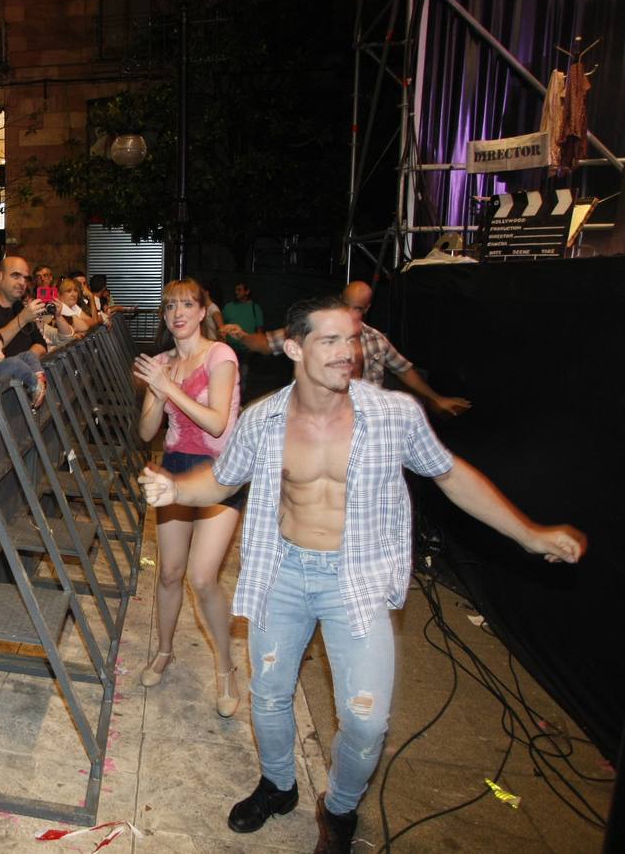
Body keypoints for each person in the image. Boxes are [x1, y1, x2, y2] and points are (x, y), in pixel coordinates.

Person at [138, 295, 586, 853]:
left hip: (357, 579)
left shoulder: (392, 414)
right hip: (284, 573)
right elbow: (223, 479)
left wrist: (530, 533)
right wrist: (176, 488)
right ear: (296, 348)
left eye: (351, 339)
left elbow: (452, 476)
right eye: (330, 340)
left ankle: (341, 807)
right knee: (269, 695)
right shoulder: (263, 419)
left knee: (367, 722)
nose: (347, 352)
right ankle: (278, 785)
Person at [131, 278, 243, 716]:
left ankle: (226, 667)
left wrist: (169, 386)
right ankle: (163, 650)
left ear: (202, 310)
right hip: (175, 468)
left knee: (202, 576)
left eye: (186, 304)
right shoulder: (161, 363)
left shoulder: (221, 356)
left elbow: (217, 423)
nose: (177, 312)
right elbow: (144, 433)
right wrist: (158, 393)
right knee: (169, 572)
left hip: (221, 472)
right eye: (169, 306)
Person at [225, 281, 472, 418]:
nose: (353, 313)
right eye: (349, 306)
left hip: (363, 420)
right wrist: (244, 337)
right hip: (319, 418)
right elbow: (267, 343)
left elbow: (404, 370)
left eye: (359, 308)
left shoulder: (375, 340)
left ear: (367, 309)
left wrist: (435, 397)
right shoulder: (314, 328)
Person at [0, 255, 58, 357]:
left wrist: (25, 362)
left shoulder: (19, 307)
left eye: (25, 278)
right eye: (16, 276)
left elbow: (41, 344)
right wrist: (22, 318)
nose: (22, 282)